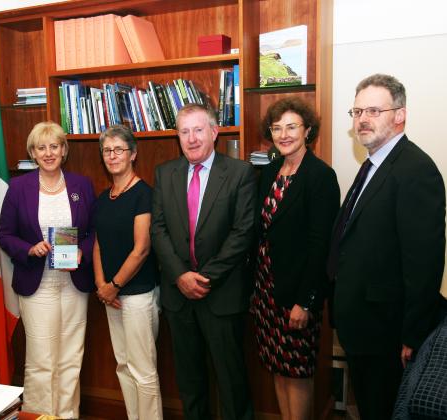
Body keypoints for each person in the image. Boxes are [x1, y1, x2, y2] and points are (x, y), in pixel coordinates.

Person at [327, 74, 446, 420]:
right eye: (357, 111)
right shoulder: (372, 167)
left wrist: (413, 336)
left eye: (374, 110)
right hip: (361, 326)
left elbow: (423, 263)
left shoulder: (415, 170)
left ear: (400, 115)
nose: (363, 119)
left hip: (388, 334)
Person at [150, 103, 255, 420]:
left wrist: (204, 278)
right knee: (190, 381)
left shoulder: (240, 173)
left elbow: (243, 232)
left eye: (198, 130)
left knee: (231, 381)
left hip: (221, 295)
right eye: (184, 132)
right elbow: (159, 229)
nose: (192, 138)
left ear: (214, 132)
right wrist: (181, 275)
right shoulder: (165, 173)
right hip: (178, 297)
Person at [0, 121, 95, 417]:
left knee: (71, 358)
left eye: (54, 146)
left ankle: (67, 416)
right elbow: (4, 234)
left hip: (73, 284)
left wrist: (81, 251)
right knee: (41, 361)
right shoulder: (18, 187)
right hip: (37, 284)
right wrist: (29, 249)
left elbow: (95, 232)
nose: (49, 153)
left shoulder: (82, 184)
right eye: (42, 147)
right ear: (33, 153)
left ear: (64, 150)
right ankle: (39, 417)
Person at [252, 98, 339, 420]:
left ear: (308, 130)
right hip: (266, 291)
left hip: (297, 294)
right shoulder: (271, 171)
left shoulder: (320, 176)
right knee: (277, 365)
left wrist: (307, 301)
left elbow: (321, 246)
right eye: (277, 128)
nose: (284, 134)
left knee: (297, 370)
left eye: (292, 127)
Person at [93, 125, 163, 419]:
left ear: (133, 154)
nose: (112, 156)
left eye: (119, 149)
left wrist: (115, 285)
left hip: (137, 295)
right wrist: (101, 285)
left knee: (143, 370)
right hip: (111, 295)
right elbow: (98, 243)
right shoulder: (103, 197)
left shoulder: (143, 194)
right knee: (123, 365)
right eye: (107, 151)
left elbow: (142, 249)